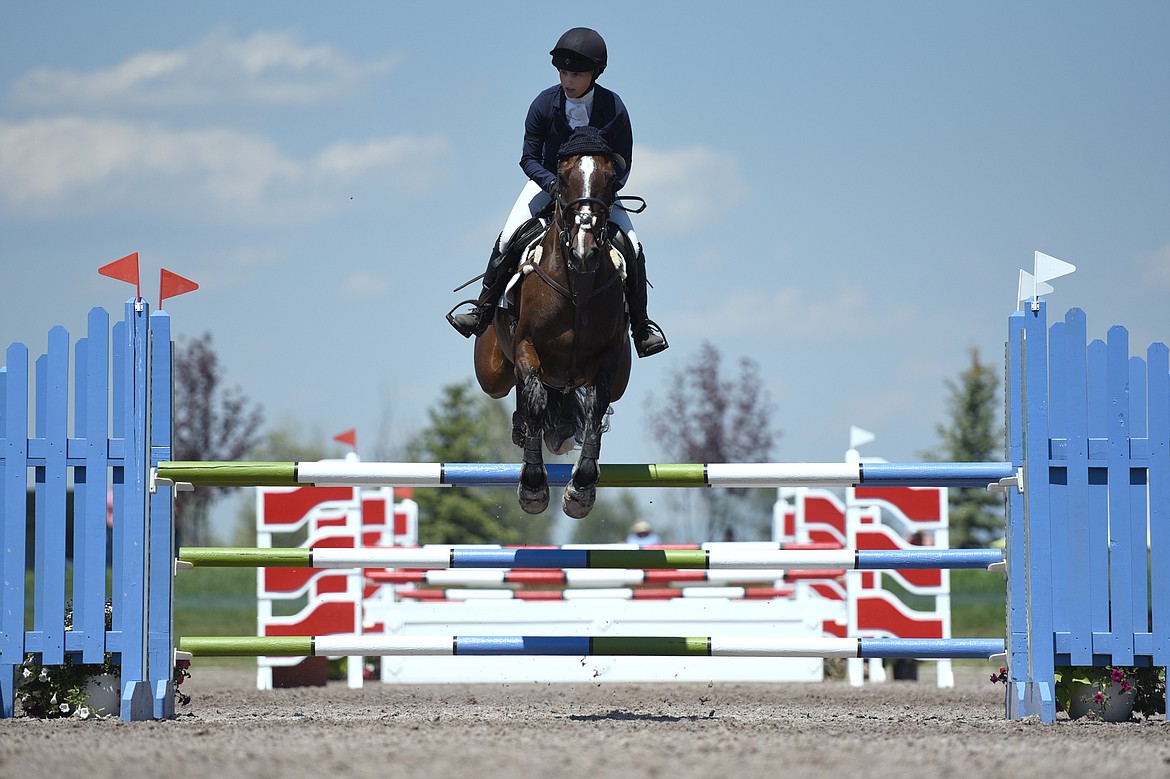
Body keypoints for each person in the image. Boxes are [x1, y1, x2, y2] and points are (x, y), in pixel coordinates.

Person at [447, 27, 668, 358]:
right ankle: (482, 310)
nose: (568, 80)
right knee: (509, 237)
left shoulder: (613, 107)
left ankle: (641, 327)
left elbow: (622, 162)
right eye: (564, 72)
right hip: (546, 184)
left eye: (576, 74)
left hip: (595, 193)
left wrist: (603, 193)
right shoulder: (544, 104)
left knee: (632, 247)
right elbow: (528, 157)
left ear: (595, 73)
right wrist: (552, 185)